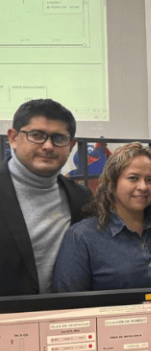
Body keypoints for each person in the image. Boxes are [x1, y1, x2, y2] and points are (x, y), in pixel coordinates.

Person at [51, 142, 151, 292]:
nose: (143, 187)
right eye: (133, 178)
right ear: (112, 183)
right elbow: (69, 305)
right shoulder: (82, 237)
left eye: (150, 180)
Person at [1, 99, 91, 296]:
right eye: (37, 135)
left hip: (64, 319)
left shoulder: (82, 199)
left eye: (59, 138)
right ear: (13, 138)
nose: (48, 146)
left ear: (71, 145)